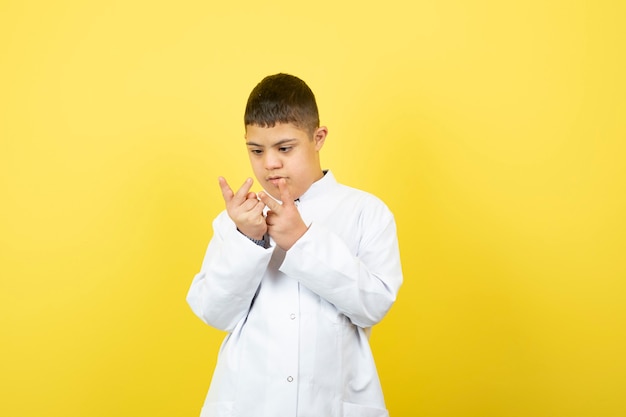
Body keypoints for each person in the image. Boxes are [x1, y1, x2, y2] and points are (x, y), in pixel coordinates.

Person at [186, 73, 403, 417]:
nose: (270, 163)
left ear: (318, 138)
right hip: (249, 404)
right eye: (256, 150)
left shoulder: (366, 212)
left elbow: (374, 304)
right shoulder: (235, 220)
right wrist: (248, 240)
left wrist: (302, 241)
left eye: (285, 148)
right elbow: (215, 313)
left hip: (331, 404)